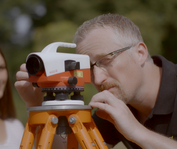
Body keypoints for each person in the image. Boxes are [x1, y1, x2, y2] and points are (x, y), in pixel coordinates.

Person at [15, 13, 177, 149]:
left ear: (140, 53)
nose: (98, 79)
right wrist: (37, 104)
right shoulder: (117, 102)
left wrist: (137, 132)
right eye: (89, 68)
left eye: (106, 61)